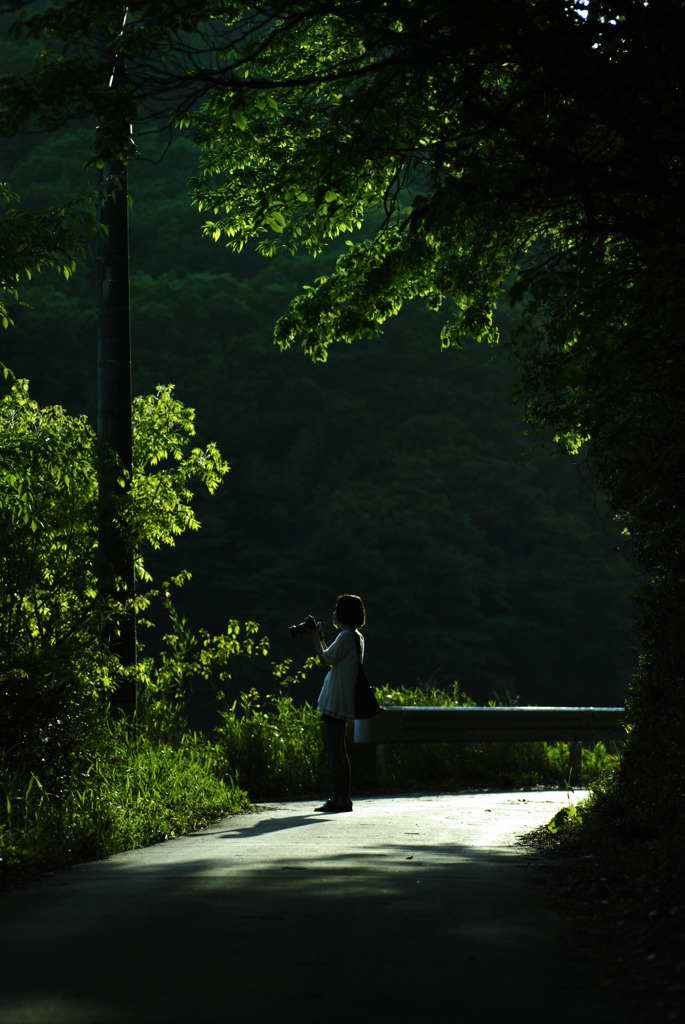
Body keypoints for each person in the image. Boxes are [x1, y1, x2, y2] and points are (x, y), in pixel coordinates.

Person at [303, 593, 366, 813]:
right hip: (344, 698)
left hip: (335, 699)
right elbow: (332, 655)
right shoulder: (356, 637)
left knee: (334, 751)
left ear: (343, 614)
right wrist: (320, 634)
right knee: (340, 751)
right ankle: (343, 798)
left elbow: (325, 659)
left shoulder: (346, 636)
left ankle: (337, 799)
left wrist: (313, 637)